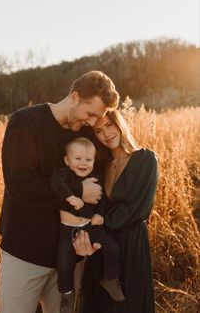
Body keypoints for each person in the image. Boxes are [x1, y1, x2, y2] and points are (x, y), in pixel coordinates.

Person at [0, 71, 120, 313]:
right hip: (25, 254)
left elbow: (97, 184)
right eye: (91, 114)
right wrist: (77, 190)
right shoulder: (25, 122)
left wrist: (89, 235)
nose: (94, 122)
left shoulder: (85, 134)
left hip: (69, 257)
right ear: (74, 97)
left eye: (99, 117)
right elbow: (20, 184)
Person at [75, 109, 158, 313]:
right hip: (101, 247)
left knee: (128, 305)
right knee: (99, 304)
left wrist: (99, 221)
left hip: (131, 245)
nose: (106, 134)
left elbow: (136, 209)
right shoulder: (100, 166)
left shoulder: (145, 159)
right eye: (98, 130)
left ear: (119, 123)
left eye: (109, 125)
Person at [50, 137, 125, 313]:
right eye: (78, 159)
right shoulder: (62, 174)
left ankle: (111, 279)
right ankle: (67, 294)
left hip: (90, 227)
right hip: (67, 232)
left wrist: (99, 213)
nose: (83, 163)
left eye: (88, 159)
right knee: (65, 264)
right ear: (67, 160)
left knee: (113, 247)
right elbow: (56, 184)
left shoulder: (95, 177)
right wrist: (72, 196)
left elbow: (102, 199)